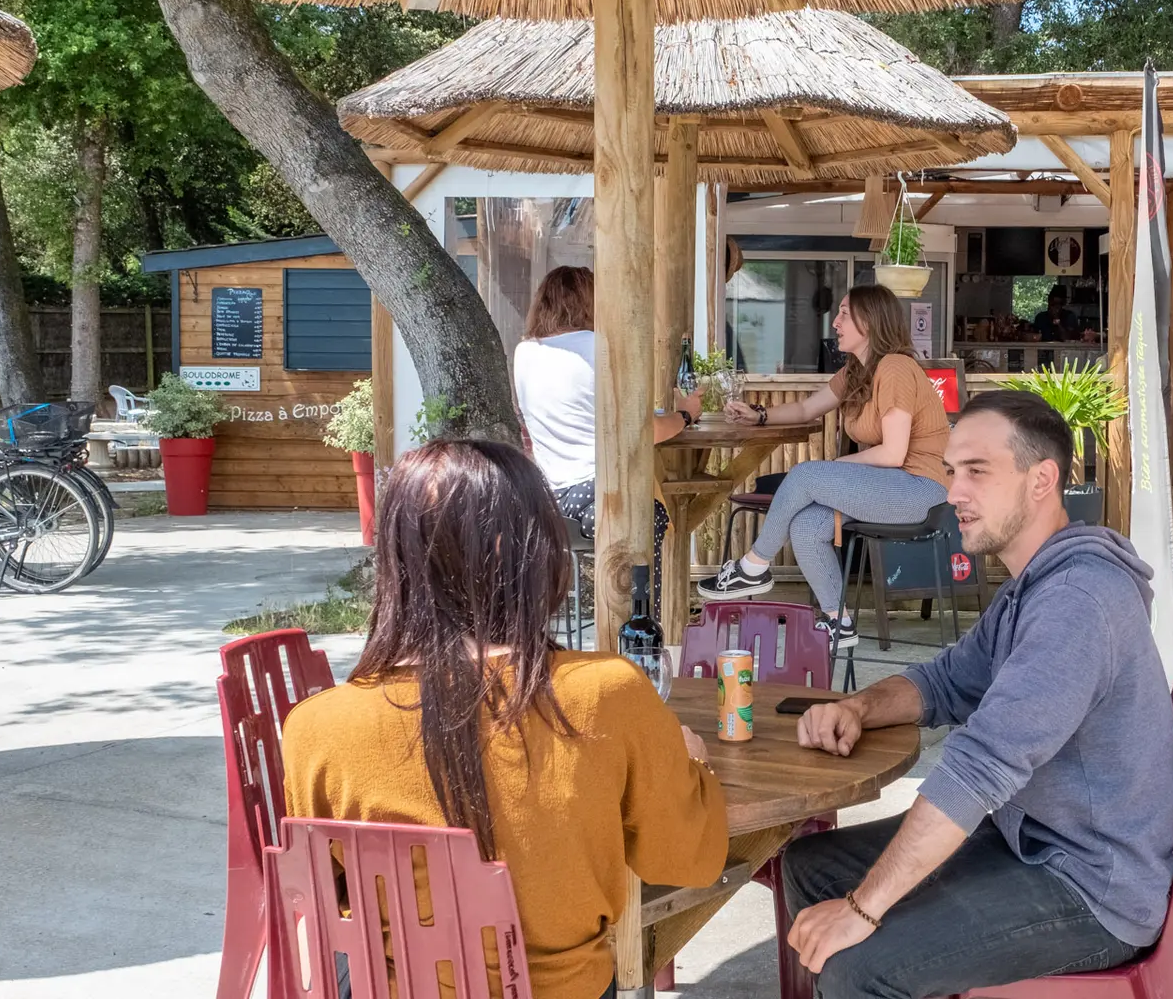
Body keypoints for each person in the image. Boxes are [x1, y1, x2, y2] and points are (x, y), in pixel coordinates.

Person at [281, 440, 728, 999]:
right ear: (527, 555)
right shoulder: (608, 694)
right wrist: (695, 767)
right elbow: (691, 860)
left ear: (394, 560)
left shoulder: (315, 728)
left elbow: (326, 896)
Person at [779, 390, 1173, 999]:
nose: (953, 493)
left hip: (1092, 882)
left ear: (1042, 479)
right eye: (950, 473)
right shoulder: (1031, 587)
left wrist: (861, 912)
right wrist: (857, 707)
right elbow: (947, 681)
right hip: (1030, 838)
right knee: (809, 865)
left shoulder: (1078, 602)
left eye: (977, 472)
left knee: (858, 969)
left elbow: (977, 771)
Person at [696, 283, 950, 649]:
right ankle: (838, 621)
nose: (836, 322)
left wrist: (837, 467)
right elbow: (804, 409)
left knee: (808, 474)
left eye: (846, 313)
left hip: (918, 490)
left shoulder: (894, 368)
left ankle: (753, 566)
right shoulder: (856, 372)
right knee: (806, 525)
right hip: (886, 484)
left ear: (872, 321)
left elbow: (894, 453)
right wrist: (760, 415)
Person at [511, 265, 697, 610]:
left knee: (648, 509)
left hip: (551, 500)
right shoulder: (599, 347)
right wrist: (686, 414)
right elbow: (644, 434)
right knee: (652, 513)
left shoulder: (525, 352)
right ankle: (641, 630)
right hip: (601, 496)